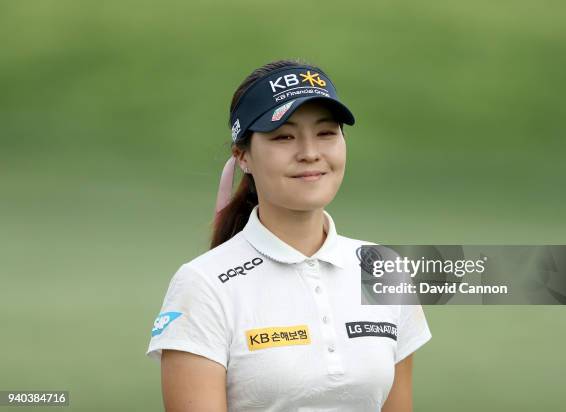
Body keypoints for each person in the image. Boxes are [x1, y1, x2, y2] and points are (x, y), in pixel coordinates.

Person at [146, 59, 432, 412]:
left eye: (326, 133)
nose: (310, 153)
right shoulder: (203, 285)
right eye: (284, 136)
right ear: (243, 156)